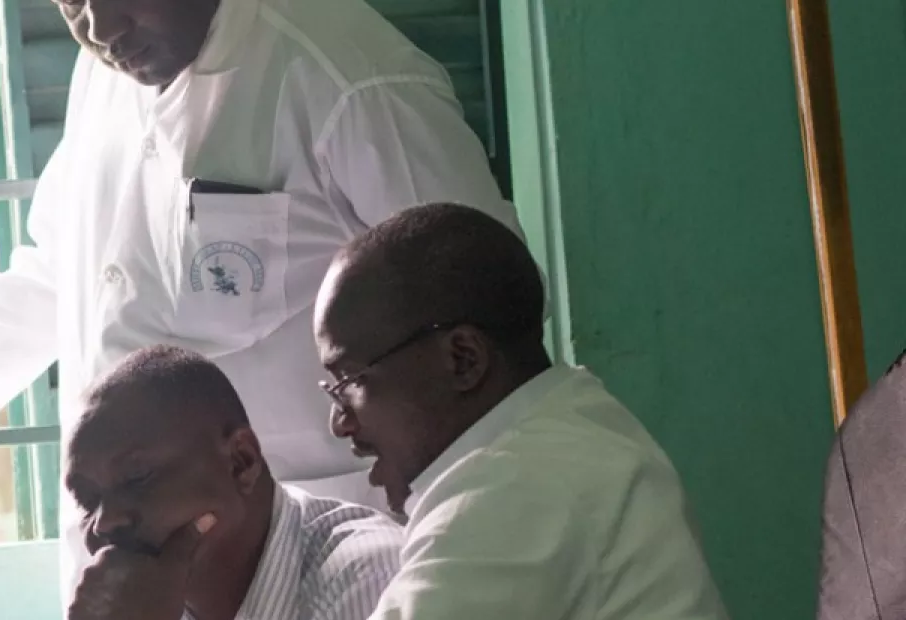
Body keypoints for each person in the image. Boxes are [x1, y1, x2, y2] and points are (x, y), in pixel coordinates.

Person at [0, 0, 518, 595]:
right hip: (141, 576)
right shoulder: (106, 77)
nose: (101, 25)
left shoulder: (345, 76)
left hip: (317, 575)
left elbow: (483, 324)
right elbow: (62, 278)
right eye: (70, 1)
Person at [311, 203, 728, 618]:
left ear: (463, 359)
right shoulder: (574, 422)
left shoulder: (511, 489)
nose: (339, 422)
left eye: (350, 380)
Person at [65, 345, 401, 620]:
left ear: (242, 462)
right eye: (86, 499)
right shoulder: (131, 602)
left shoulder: (371, 579)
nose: (105, 522)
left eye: (137, 478)